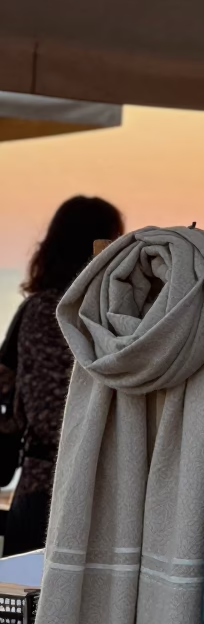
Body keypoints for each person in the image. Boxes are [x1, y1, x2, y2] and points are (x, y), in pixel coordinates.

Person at [1, 196, 124, 556]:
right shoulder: (84, 314)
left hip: (47, 487)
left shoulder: (47, 311)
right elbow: (52, 414)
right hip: (76, 491)